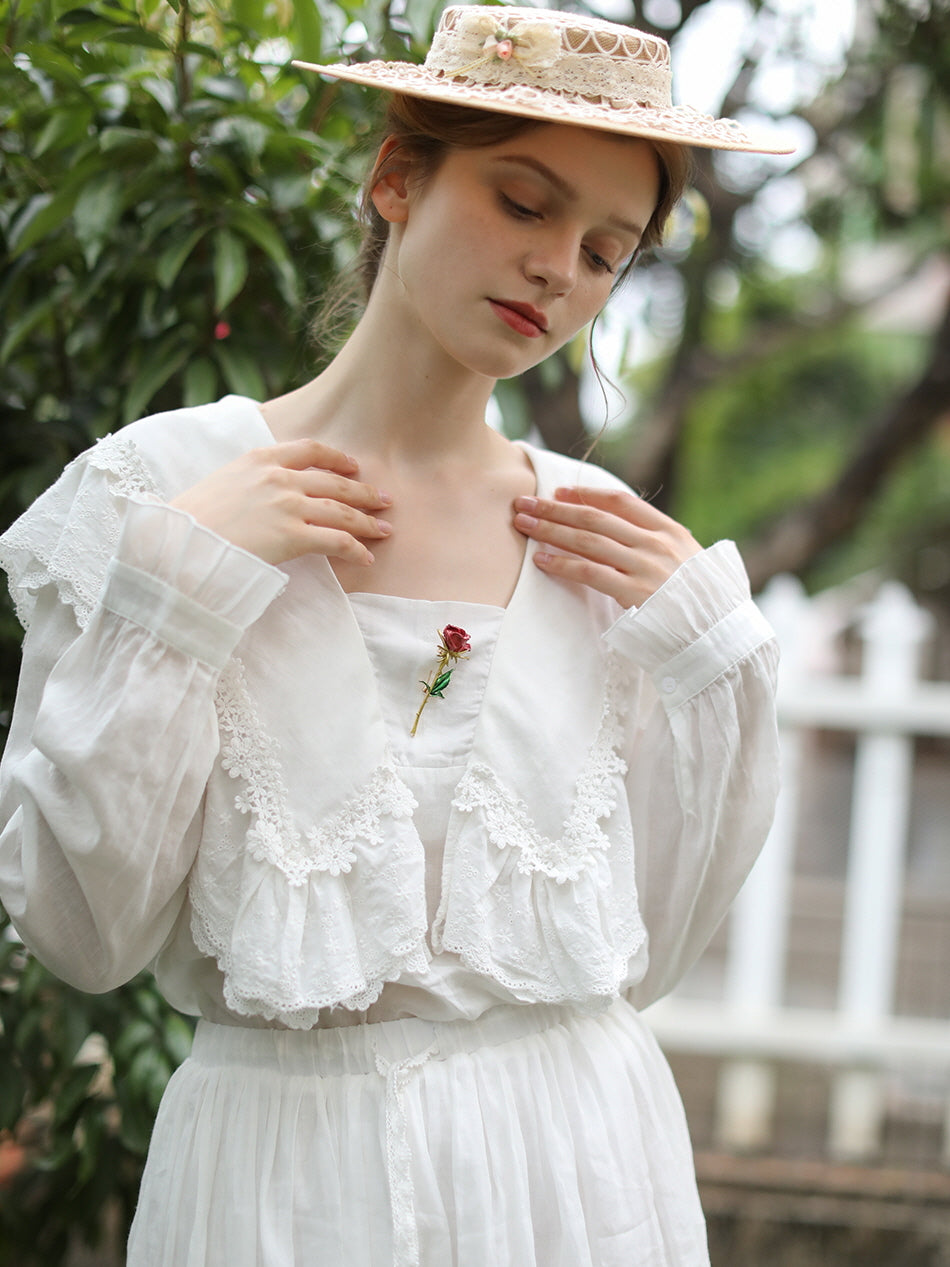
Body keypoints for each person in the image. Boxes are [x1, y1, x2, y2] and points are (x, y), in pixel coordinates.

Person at [0, 6, 786, 1265]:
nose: (556, 272)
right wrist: (179, 596)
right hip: (278, 1185)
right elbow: (84, 934)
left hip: (577, 1176)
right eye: (523, 204)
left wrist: (712, 657)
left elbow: (651, 951)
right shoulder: (156, 496)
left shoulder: (617, 554)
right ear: (395, 178)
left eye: (603, 250)